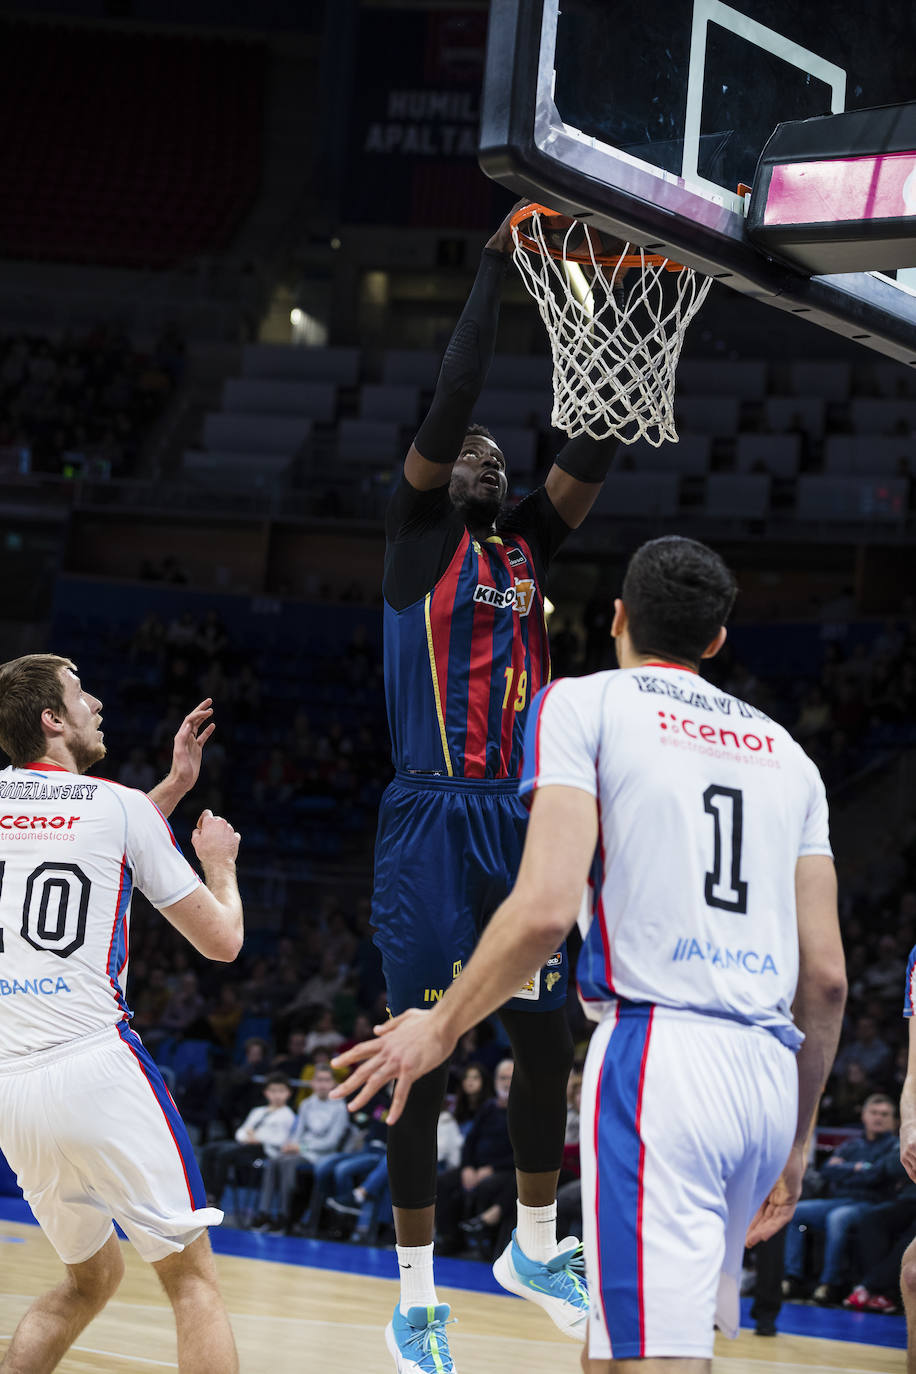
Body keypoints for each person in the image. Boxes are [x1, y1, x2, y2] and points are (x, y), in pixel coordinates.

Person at [334, 535, 848, 1374]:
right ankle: (531, 1254)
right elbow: (825, 982)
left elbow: (541, 912)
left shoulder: (584, 704)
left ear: (615, 617)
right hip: (767, 1080)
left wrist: (441, 1024)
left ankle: (512, 1261)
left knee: (653, 1361)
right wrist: (796, 1142)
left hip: (661, 1060)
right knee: (618, 1352)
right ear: (718, 641)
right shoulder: (792, 755)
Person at [367, 200, 621, 1370]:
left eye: (498, 460)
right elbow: (454, 398)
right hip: (429, 811)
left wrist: (605, 310)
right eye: (474, 454)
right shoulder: (418, 531)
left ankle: (530, 1241)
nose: (489, 456)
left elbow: (592, 446)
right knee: (421, 1047)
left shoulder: (526, 550)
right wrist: (494, 271)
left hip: (517, 819)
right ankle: (417, 1297)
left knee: (549, 1037)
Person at [0, 654, 244, 1374]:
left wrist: (169, 790)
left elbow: (71, 837)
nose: (97, 702)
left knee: (90, 1279)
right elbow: (224, 942)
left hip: (11, 1090)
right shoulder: (118, 806)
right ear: (52, 719)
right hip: (93, 1064)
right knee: (193, 1282)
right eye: (80, 693)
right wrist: (219, 863)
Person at [782, 1094, 901, 1302]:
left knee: (838, 1218)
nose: (878, 1118)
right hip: (839, 1199)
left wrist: (847, 1168)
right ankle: (792, 1278)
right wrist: (860, 1169)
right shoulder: (852, 1144)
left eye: (884, 1114)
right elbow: (827, 1170)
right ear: (864, 1115)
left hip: (872, 1203)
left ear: (895, 1120)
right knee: (795, 1213)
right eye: (874, 1113)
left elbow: (879, 1175)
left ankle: (830, 1284)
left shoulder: (895, 1146)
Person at [253, 1063, 350, 1232]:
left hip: (322, 1155)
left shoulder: (340, 1108)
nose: (322, 1085)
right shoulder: (306, 1104)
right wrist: (292, 1145)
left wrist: (301, 1147)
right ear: (312, 1083)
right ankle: (264, 1212)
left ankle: (285, 1215)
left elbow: (332, 1142)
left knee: (287, 1163)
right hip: (300, 1150)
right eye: (319, 1080)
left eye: (327, 1080)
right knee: (275, 1160)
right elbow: (298, 1131)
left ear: (334, 1084)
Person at [198, 1074, 296, 1210]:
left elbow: (281, 1140)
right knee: (209, 1149)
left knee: (224, 1154)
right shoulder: (258, 1111)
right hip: (245, 1144)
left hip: (264, 1149)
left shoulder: (287, 1115)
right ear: (266, 1093)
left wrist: (258, 1139)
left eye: (281, 1091)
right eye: (273, 1091)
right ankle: (205, 1193)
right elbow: (242, 1131)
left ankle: (215, 1197)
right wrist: (246, 1137)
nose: (277, 1095)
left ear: (288, 1093)